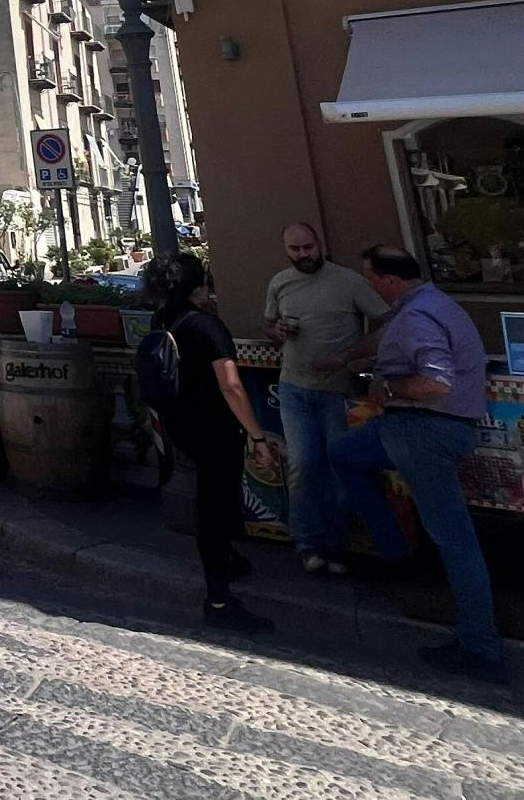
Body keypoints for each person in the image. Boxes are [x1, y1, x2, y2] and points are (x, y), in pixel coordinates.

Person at [331, 245, 503, 681]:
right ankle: (395, 551)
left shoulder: (417, 317)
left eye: (370, 277)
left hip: (424, 431)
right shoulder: (431, 303)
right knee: (345, 454)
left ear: (389, 280)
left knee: (455, 539)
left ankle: (480, 648)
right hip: (411, 430)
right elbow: (387, 338)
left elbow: (436, 380)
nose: (368, 284)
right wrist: (350, 358)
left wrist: (389, 388)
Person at [146, 250, 279, 633]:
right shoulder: (207, 326)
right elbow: (232, 385)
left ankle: (229, 561)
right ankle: (218, 599)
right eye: (204, 283)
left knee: (213, 500)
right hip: (215, 429)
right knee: (215, 507)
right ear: (195, 287)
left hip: (180, 424)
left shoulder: (163, 319)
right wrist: (257, 436)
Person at [261, 221, 387, 575]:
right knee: (302, 464)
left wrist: (354, 356)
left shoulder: (347, 281)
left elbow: (385, 320)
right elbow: (267, 325)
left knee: (336, 467)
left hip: (336, 390)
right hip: (294, 386)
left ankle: (337, 544)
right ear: (286, 250)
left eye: (308, 248)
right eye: (295, 250)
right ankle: (307, 542)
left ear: (320, 244)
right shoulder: (280, 282)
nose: (303, 255)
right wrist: (277, 330)